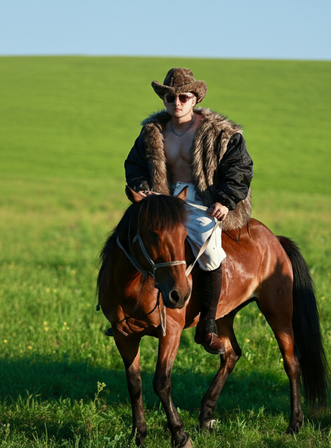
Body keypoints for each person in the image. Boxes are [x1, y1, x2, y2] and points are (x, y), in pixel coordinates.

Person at [123, 67, 253, 355]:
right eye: (170, 98)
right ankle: (124, 313)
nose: (177, 103)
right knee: (133, 240)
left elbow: (240, 168)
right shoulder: (152, 132)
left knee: (210, 252)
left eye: (183, 97)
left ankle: (208, 324)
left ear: (195, 99)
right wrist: (143, 188)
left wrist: (226, 200)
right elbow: (134, 165)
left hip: (203, 200)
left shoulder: (221, 133)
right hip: (162, 199)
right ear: (164, 100)